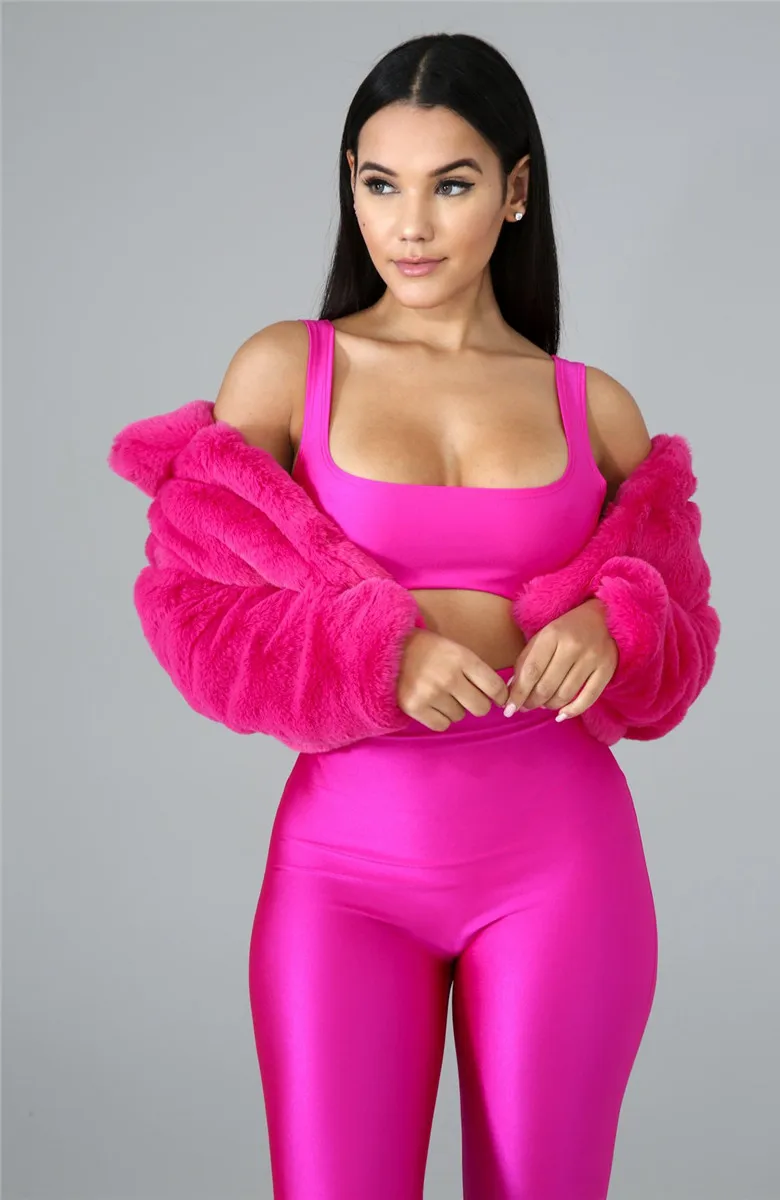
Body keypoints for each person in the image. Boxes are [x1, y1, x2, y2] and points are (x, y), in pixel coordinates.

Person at [218, 32, 660, 1200]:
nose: (407, 226)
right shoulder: (285, 370)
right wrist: (374, 657)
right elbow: (202, 603)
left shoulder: (594, 408)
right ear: (350, 187)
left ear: (514, 192)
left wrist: (613, 620)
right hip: (342, 872)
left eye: (449, 185)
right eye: (379, 184)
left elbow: (677, 621)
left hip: (560, 863)